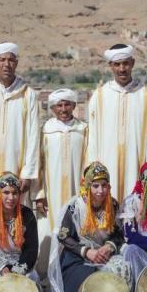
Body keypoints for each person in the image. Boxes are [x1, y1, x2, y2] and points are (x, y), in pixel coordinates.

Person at [47, 162, 129, 292]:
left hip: (105, 255)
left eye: (104, 185)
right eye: (95, 186)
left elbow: (119, 233)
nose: (100, 190)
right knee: (88, 284)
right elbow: (63, 236)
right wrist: (87, 252)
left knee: (122, 272)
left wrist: (109, 246)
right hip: (77, 257)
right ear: (87, 186)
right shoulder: (75, 207)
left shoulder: (112, 204)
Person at [86, 44, 147, 201]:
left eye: (125, 63)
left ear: (132, 63)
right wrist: (93, 170)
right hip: (106, 169)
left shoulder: (145, 95)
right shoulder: (99, 96)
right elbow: (92, 138)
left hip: (137, 169)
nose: (122, 69)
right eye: (117, 64)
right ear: (110, 66)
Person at [0, 43, 41, 202]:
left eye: (11, 60)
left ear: (16, 63)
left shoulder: (28, 95)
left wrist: (28, 172)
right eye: (1, 60)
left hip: (17, 168)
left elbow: (33, 136)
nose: (6, 64)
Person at [40, 88, 88, 230]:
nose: (63, 109)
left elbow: (88, 161)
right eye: (59, 106)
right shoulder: (46, 130)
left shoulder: (83, 129)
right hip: (51, 192)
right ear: (53, 108)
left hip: (78, 190)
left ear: (74, 106)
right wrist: (40, 195)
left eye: (67, 105)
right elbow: (39, 164)